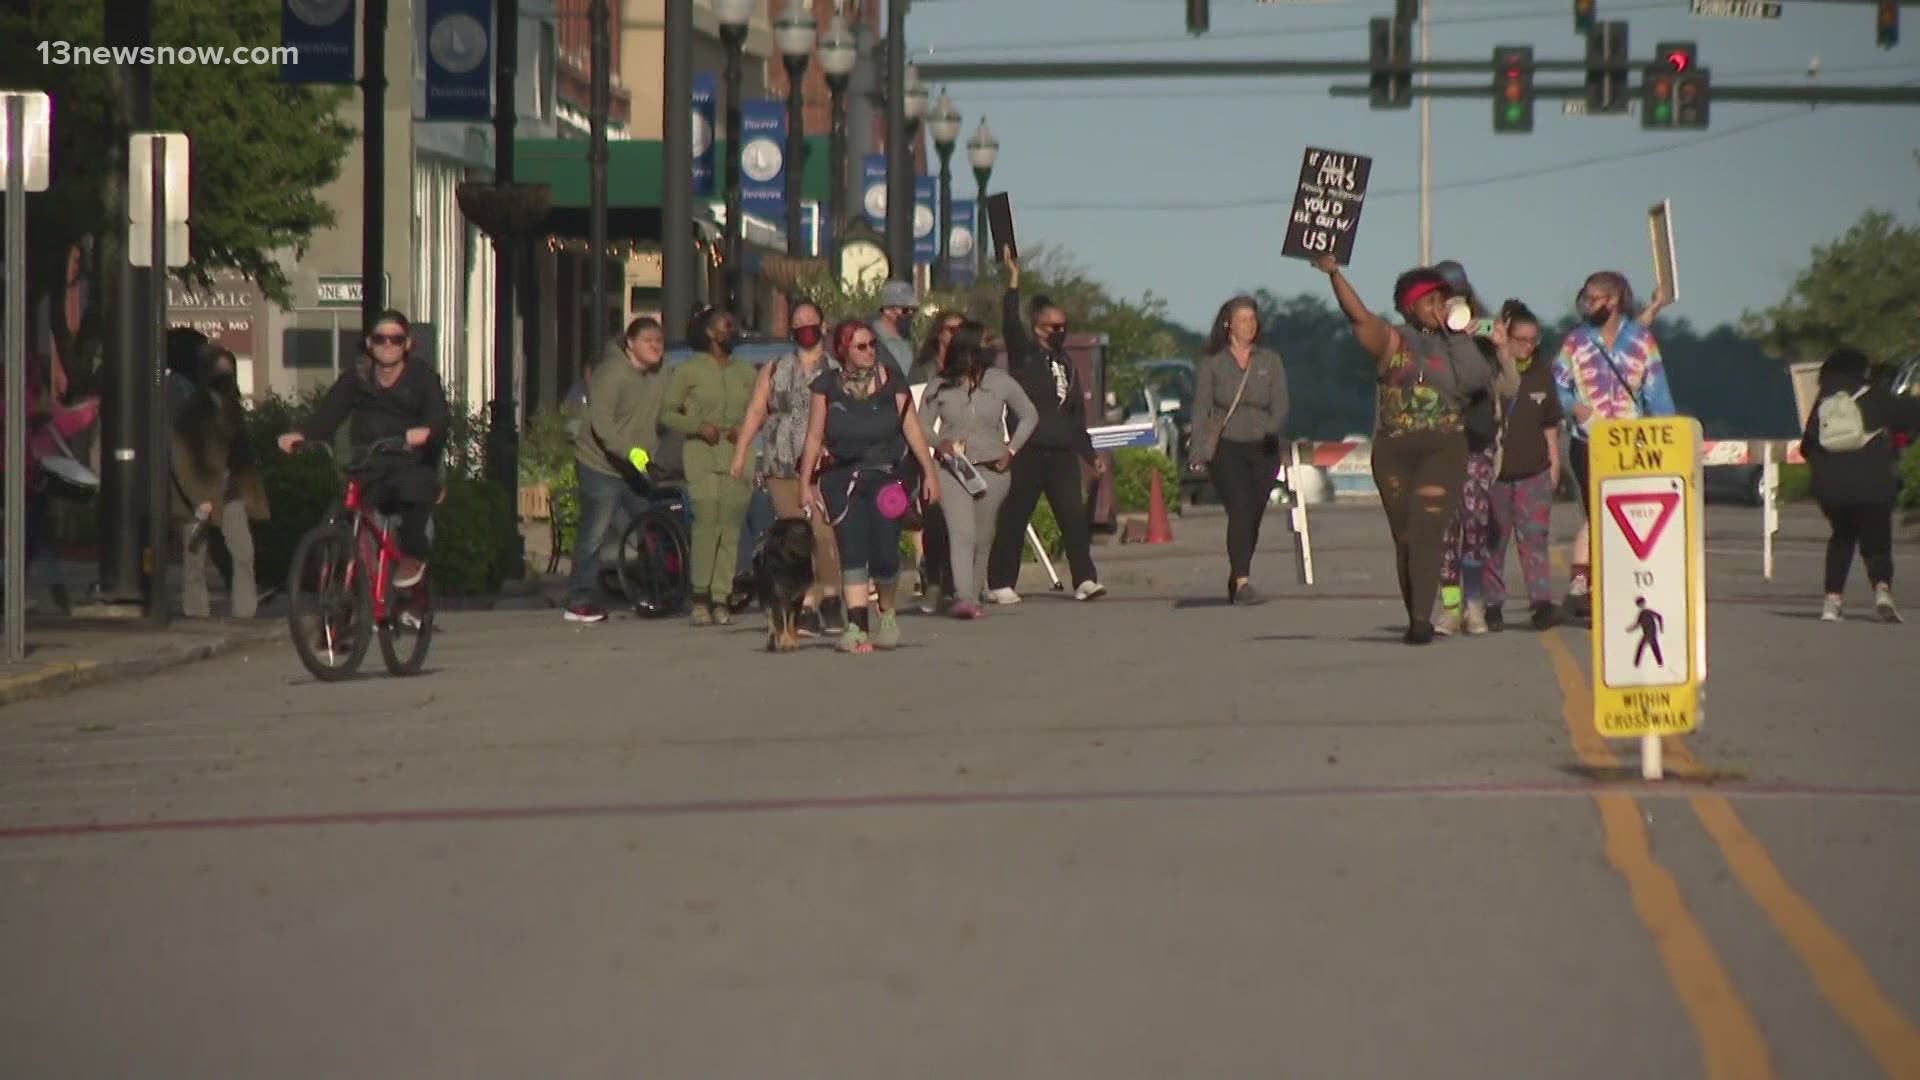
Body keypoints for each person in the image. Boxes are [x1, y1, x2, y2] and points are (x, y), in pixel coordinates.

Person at [1313, 255, 1493, 644]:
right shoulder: (1393, 339)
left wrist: (1459, 336)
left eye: (1443, 301)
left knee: (1429, 529)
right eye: (1429, 301)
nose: (1438, 308)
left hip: (1444, 447)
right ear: (1408, 306)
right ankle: (1416, 608)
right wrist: (1334, 275)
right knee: (1406, 537)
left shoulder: (1455, 343)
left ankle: (1420, 621)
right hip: (1394, 450)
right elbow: (1359, 317)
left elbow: (1476, 382)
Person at [797, 319, 942, 653]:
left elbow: (912, 430)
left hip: (886, 477)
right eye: (861, 346)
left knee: (885, 552)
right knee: (852, 550)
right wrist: (806, 483)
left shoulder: (892, 382)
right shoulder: (826, 387)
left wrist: (929, 472)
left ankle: (887, 614)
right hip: (842, 479)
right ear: (843, 349)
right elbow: (814, 437)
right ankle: (857, 627)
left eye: (872, 345)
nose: (869, 352)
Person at [279, 310, 450, 589]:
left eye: (396, 339)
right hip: (370, 461)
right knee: (345, 508)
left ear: (407, 344)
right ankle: (341, 581)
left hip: (411, 460)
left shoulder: (422, 376)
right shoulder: (357, 377)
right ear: (370, 344)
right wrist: (302, 434)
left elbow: (439, 417)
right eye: (380, 338)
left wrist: (426, 431)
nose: (388, 345)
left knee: (413, 493)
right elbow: (330, 413)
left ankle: (411, 559)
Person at [984, 250, 1107, 603]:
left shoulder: (1067, 363)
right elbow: (1010, 322)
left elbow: (1076, 417)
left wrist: (1089, 455)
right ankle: (1000, 582)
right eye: (1053, 326)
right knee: (1015, 515)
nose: (1060, 331)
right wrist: (1012, 283)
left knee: (1072, 516)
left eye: (1063, 325)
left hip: (1062, 452)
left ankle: (1084, 578)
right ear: (1038, 328)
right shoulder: (1024, 355)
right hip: (1027, 450)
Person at [1552, 272, 1674, 618]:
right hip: (1586, 442)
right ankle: (1587, 584)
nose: (1589, 305)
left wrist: (1669, 436)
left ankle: (1598, 586)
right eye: (1586, 298)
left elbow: (1657, 392)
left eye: (1596, 299)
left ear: (1615, 300)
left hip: (1632, 444)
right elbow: (1556, 385)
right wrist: (1574, 407)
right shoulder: (1575, 342)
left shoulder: (1641, 341)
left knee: (1621, 516)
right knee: (1598, 511)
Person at [731, 299, 844, 634]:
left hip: (824, 462)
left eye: (810, 319)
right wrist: (741, 453)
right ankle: (805, 605)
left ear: (823, 326)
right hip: (781, 461)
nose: (804, 325)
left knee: (823, 533)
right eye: (798, 321)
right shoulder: (775, 367)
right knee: (795, 536)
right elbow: (756, 410)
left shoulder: (836, 370)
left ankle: (831, 597)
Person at [918, 320, 1039, 618]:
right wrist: (939, 443)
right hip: (951, 470)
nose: (992, 347)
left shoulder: (1001, 381)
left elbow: (1029, 416)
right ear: (969, 347)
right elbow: (919, 424)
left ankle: (974, 594)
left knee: (983, 537)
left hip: (993, 471)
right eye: (986, 341)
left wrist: (1011, 450)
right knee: (963, 533)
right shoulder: (939, 385)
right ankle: (963, 598)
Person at [1428, 262, 1518, 635]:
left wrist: (1502, 350)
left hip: (1476, 442)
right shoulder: (1426, 339)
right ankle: (1449, 608)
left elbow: (1510, 388)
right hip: (1438, 444)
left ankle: (1474, 604)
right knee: (1444, 530)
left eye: (1458, 297)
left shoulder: (1483, 336)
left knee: (1475, 524)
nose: (1452, 307)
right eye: (1444, 299)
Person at [1799, 347, 1920, 623]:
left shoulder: (1823, 402)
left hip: (1831, 490)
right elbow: (1910, 417)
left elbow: (1807, 446)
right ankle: (1882, 592)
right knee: (1877, 542)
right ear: (1861, 370)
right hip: (1873, 485)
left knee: (1842, 537)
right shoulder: (1875, 396)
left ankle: (1832, 603)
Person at [563, 317, 670, 624]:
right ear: (630, 344)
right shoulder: (611, 374)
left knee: (651, 528)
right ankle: (579, 599)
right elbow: (602, 426)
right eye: (648, 340)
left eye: (659, 340)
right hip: (601, 465)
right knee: (594, 534)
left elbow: (672, 408)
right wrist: (634, 454)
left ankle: (657, 590)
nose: (655, 346)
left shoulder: (662, 374)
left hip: (636, 468)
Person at [1190, 294, 1290, 606]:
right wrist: (1197, 451)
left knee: (1253, 513)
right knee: (1241, 507)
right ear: (1228, 324)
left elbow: (1281, 403)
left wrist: (1270, 429)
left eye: (1253, 319)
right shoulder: (1212, 362)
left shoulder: (1269, 360)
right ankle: (1244, 580)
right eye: (1243, 319)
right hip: (1227, 446)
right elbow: (1201, 408)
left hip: (1263, 447)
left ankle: (1237, 573)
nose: (1250, 324)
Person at [661, 306, 757, 626]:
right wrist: (697, 426)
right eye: (727, 325)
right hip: (701, 452)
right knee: (706, 523)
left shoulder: (745, 371)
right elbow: (667, 413)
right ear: (710, 332)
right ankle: (699, 597)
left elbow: (762, 409)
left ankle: (721, 598)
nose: (733, 329)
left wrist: (745, 428)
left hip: (737, 453)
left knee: (730, 527)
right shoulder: (689, 371)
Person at [172, 344, 269, 619]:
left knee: (243, 553)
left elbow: (242, 456)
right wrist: (197, 498)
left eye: (228, 370)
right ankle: (196, 613)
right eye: (219, 370)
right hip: (199, 493)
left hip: (229, 492)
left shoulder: (232, 409)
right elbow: (181, 457)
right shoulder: (190, 410)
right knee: (195, 559)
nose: (224, 376)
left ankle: (245, 612)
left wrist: (251, 494)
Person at [1484, 301, 1564, 631]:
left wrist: (1554, 465)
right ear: (1505, 337)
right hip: (1497, 473)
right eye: (1520, 339)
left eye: (1533, 340)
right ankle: (1491, 605)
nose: (1526, 346)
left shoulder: (1544, 374)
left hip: (1534, 472)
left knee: (1534, 540)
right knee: (1493, 541)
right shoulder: (1492, 372)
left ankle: (1541, 602)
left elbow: (1551, 427)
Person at [908, 309, 965, 611]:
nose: (955, 335)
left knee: (961, 522)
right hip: (929, 453)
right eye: (950, 329)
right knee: (934, 519)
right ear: (938, 334)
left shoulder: (971, 368)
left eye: (961, 329)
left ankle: (958, 584)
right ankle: (933, 581)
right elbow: (913, 412)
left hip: (965, 455)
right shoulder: (922, 370)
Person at [871, 280, 917, 383]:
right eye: (905, 310)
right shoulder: (869, 340)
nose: (910, 314)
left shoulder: (911, 341)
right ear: (887, 310)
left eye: (913, 310)